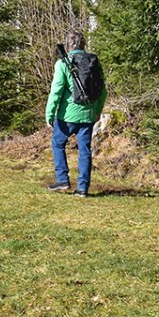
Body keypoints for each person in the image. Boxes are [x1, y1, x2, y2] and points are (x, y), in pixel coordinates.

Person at [46, 30, 106, 196]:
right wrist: (97, 111)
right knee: (84, 149)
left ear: (68, 45)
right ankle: (82, 188)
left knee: (58, 143)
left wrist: (49, 114)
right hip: (88, 114)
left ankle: (62, 179)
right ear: (83, 44)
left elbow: (56, 92)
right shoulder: (93, 62)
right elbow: (103, 91)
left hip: (67, 116)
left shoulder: (63, 64)